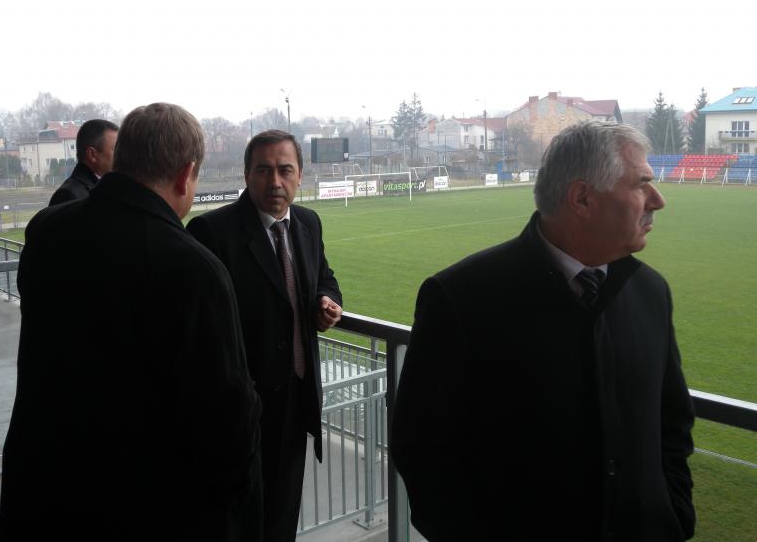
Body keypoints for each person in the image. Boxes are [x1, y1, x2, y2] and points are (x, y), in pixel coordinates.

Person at [391, 121, 695, 541]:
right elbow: (422, 450)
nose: (658, 200)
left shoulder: (651, 291)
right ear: (582, 198)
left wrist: (674, 514)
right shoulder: (460, 298)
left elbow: (672, 422)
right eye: (641, 184)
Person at [0, 103, 262, 541]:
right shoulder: (194, 268)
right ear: (186, 174)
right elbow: (228, 424)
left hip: (41, 490)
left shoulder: (47, 230)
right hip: (142, 511)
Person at [187, 129, 342, 541]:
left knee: (282, 518)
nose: (275, 181)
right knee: (241, 522)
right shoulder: (211, 232)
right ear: (246, 175)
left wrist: (327, 300)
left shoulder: (308, 223)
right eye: (264, 170)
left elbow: (324, 276)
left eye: (285, 170)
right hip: (242, 412)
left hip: (296, 400)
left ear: (300, 175)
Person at [48, 119, 118, 205]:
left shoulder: (107, 187)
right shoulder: (68, 195)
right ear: (92, 154)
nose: (121, 155)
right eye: (116, 149)